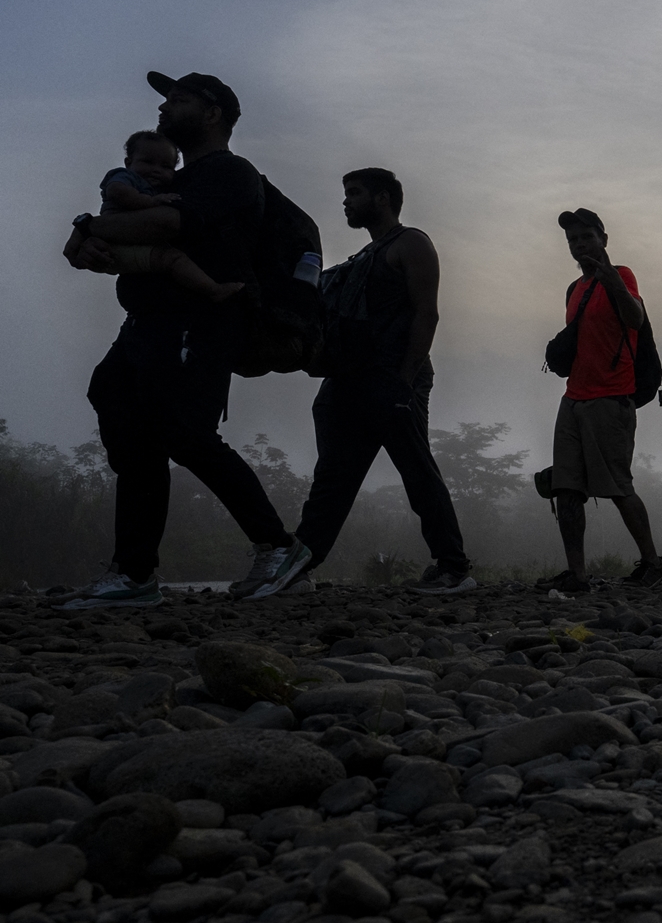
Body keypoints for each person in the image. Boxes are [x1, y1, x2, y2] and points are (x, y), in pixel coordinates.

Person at [58, 72, 302, 609]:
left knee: (184, 431)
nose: (165, 107)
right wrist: (86, 237)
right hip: (146, 323)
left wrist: (89, 231)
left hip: (203, 320)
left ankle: (278, 547)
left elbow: (168, 226)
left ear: (212, 114)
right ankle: (134, 575)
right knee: (123, 417)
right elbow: (121, 227)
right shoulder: (170, 178)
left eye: (179, 99)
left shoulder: (230, 173)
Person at [261, 168, 473, 598]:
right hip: (351, 377)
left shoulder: (410, 243)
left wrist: (404, 381)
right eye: (345, 193)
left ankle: (453, 568)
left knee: (416, 470)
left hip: (393, 376)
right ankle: (299, 568)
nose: (346, 202)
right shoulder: (363, 256)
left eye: (354, 193)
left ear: (383, 198)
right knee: (333, 477)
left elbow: (426, 313)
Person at [542, 208, 662, 592]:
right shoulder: (573, 289)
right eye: (573, 240)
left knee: (617, 487)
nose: (579, 245)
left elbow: (635, 319)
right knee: (566, 487)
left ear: (603, 239)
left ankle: (652, 563)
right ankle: (577, 574)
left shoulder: (622, 276)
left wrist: (608, 274)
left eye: (586, 237)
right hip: (574, 397)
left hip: (611, 398)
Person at [72, 130, 245, 303]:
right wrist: (150, 201)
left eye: (166, 167)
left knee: (172, 258)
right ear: (128, 162)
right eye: (147, 162)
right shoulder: (126, 177)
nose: (156, 170)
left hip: (125, 245)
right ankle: (214, 290)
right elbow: (117, 191)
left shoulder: (167, 187)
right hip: (116, 247)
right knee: (171, 259)